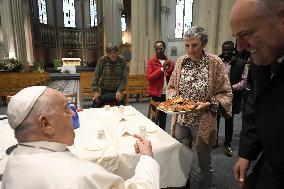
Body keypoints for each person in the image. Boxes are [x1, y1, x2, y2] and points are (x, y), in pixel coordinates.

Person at [2, 86, 160, 189]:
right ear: (45, 123)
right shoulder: (79, 176)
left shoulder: (13, 162)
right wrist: (147, 158)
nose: (72, 114)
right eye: (66, 109)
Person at [167, 26, 232, 189]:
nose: (190, 50)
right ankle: (183, 184)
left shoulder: (214, 62)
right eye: (187, 45)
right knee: (182, 158)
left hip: (202, 120)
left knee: (205, 163)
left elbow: (226, 91)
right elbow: (171, 87)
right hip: (181, 119)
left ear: (203, 44)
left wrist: (209, 103)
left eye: (194, 45)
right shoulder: (181, 61)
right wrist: (175, 99)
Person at [230, 0, 284, 189]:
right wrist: (246, 152)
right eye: (237, 37)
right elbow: (256, 105)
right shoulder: (263, 58)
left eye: (245, 34)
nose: (240, 47)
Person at [215, 41, 248, 157]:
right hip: (218, 95)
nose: (225, 52)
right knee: (216, 119)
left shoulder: (241, 63)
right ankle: (214, 141)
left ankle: (227, 144)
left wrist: (229, 88)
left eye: (228, 50)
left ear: (233, 50)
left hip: (232, 96)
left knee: (229, 121)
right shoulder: (217, 60)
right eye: (224, 50)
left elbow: (243, 82)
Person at [146, 40, 175, 130]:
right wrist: (162, 69)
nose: (159, 51)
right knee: (155, 116)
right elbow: (149, 77)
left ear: (164, 49)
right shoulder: (151, 62)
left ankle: (162, 132)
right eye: (156, 49)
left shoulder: (170, 62)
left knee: (163, 117)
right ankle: (154, 132)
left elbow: (172, 77)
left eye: (161, 49)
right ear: (154, 49)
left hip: (165, 93)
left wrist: (169, 69)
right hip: (155, 93)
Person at [92, 43, 127, 108]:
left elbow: (124, 78)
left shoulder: (122, 60)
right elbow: (96, 76)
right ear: (107, 54)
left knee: (121, 109)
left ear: (117, 52)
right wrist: (95, 90)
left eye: (115, 52)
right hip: (104, 90)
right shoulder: (103, 60)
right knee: (102, 109)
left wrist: (120, 90)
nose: (113, 55)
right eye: (110, 53)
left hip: (117, 90)